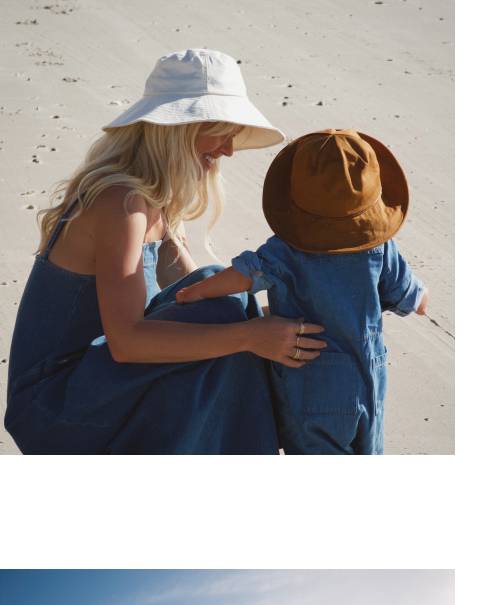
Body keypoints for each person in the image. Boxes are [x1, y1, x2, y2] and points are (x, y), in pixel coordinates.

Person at [4, 47, 325, 453]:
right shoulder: (120, 202)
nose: (228, 149)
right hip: (55, 407)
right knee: (229, 322)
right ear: (178, 130)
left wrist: (286, 319)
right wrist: (250, 334)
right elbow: (126, 341)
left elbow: (196, 300)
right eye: (221, 130)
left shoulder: (155, 203)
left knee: (228, 315)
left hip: (103, 384)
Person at [174, 129, 427, 454]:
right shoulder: (379, 248)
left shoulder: (286, 251)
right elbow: (414, 298)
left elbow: (243, 276)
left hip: (310, 378)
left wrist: (195, 292)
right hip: (369, 376)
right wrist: (421, 298)